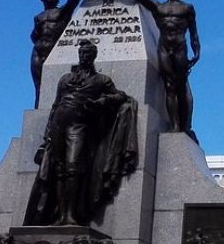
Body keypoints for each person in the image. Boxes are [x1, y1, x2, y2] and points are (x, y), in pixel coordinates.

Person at [24, 40, 138, 227]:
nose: (83, 56)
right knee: (59, 170)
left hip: (79, 125)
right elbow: (54, 106)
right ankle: (61, 215)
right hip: (59, 124)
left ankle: (70, 214)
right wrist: (47, 135)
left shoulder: (101, 80)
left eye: (87, 53)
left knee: (73, 166)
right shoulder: (65, 78)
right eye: (81, 53)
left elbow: (120, 96)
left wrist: (101, 102)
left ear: (93, 56)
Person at [107, 0, 200, 134]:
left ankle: (185, 126)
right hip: (164, 47)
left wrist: (197, 52)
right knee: (169, 87)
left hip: (180, 48)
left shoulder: (187, 8)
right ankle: (175, 125)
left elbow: (193, 33)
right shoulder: (158, 6)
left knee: (180, 87)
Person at [30, 0, 100, 108]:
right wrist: (36, 30)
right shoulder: (38, 17)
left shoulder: (63, 11)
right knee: (38, 87)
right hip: (38, 53)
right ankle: (38, 112)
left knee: (58, 86)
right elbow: (34, 37)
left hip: (55, 52)